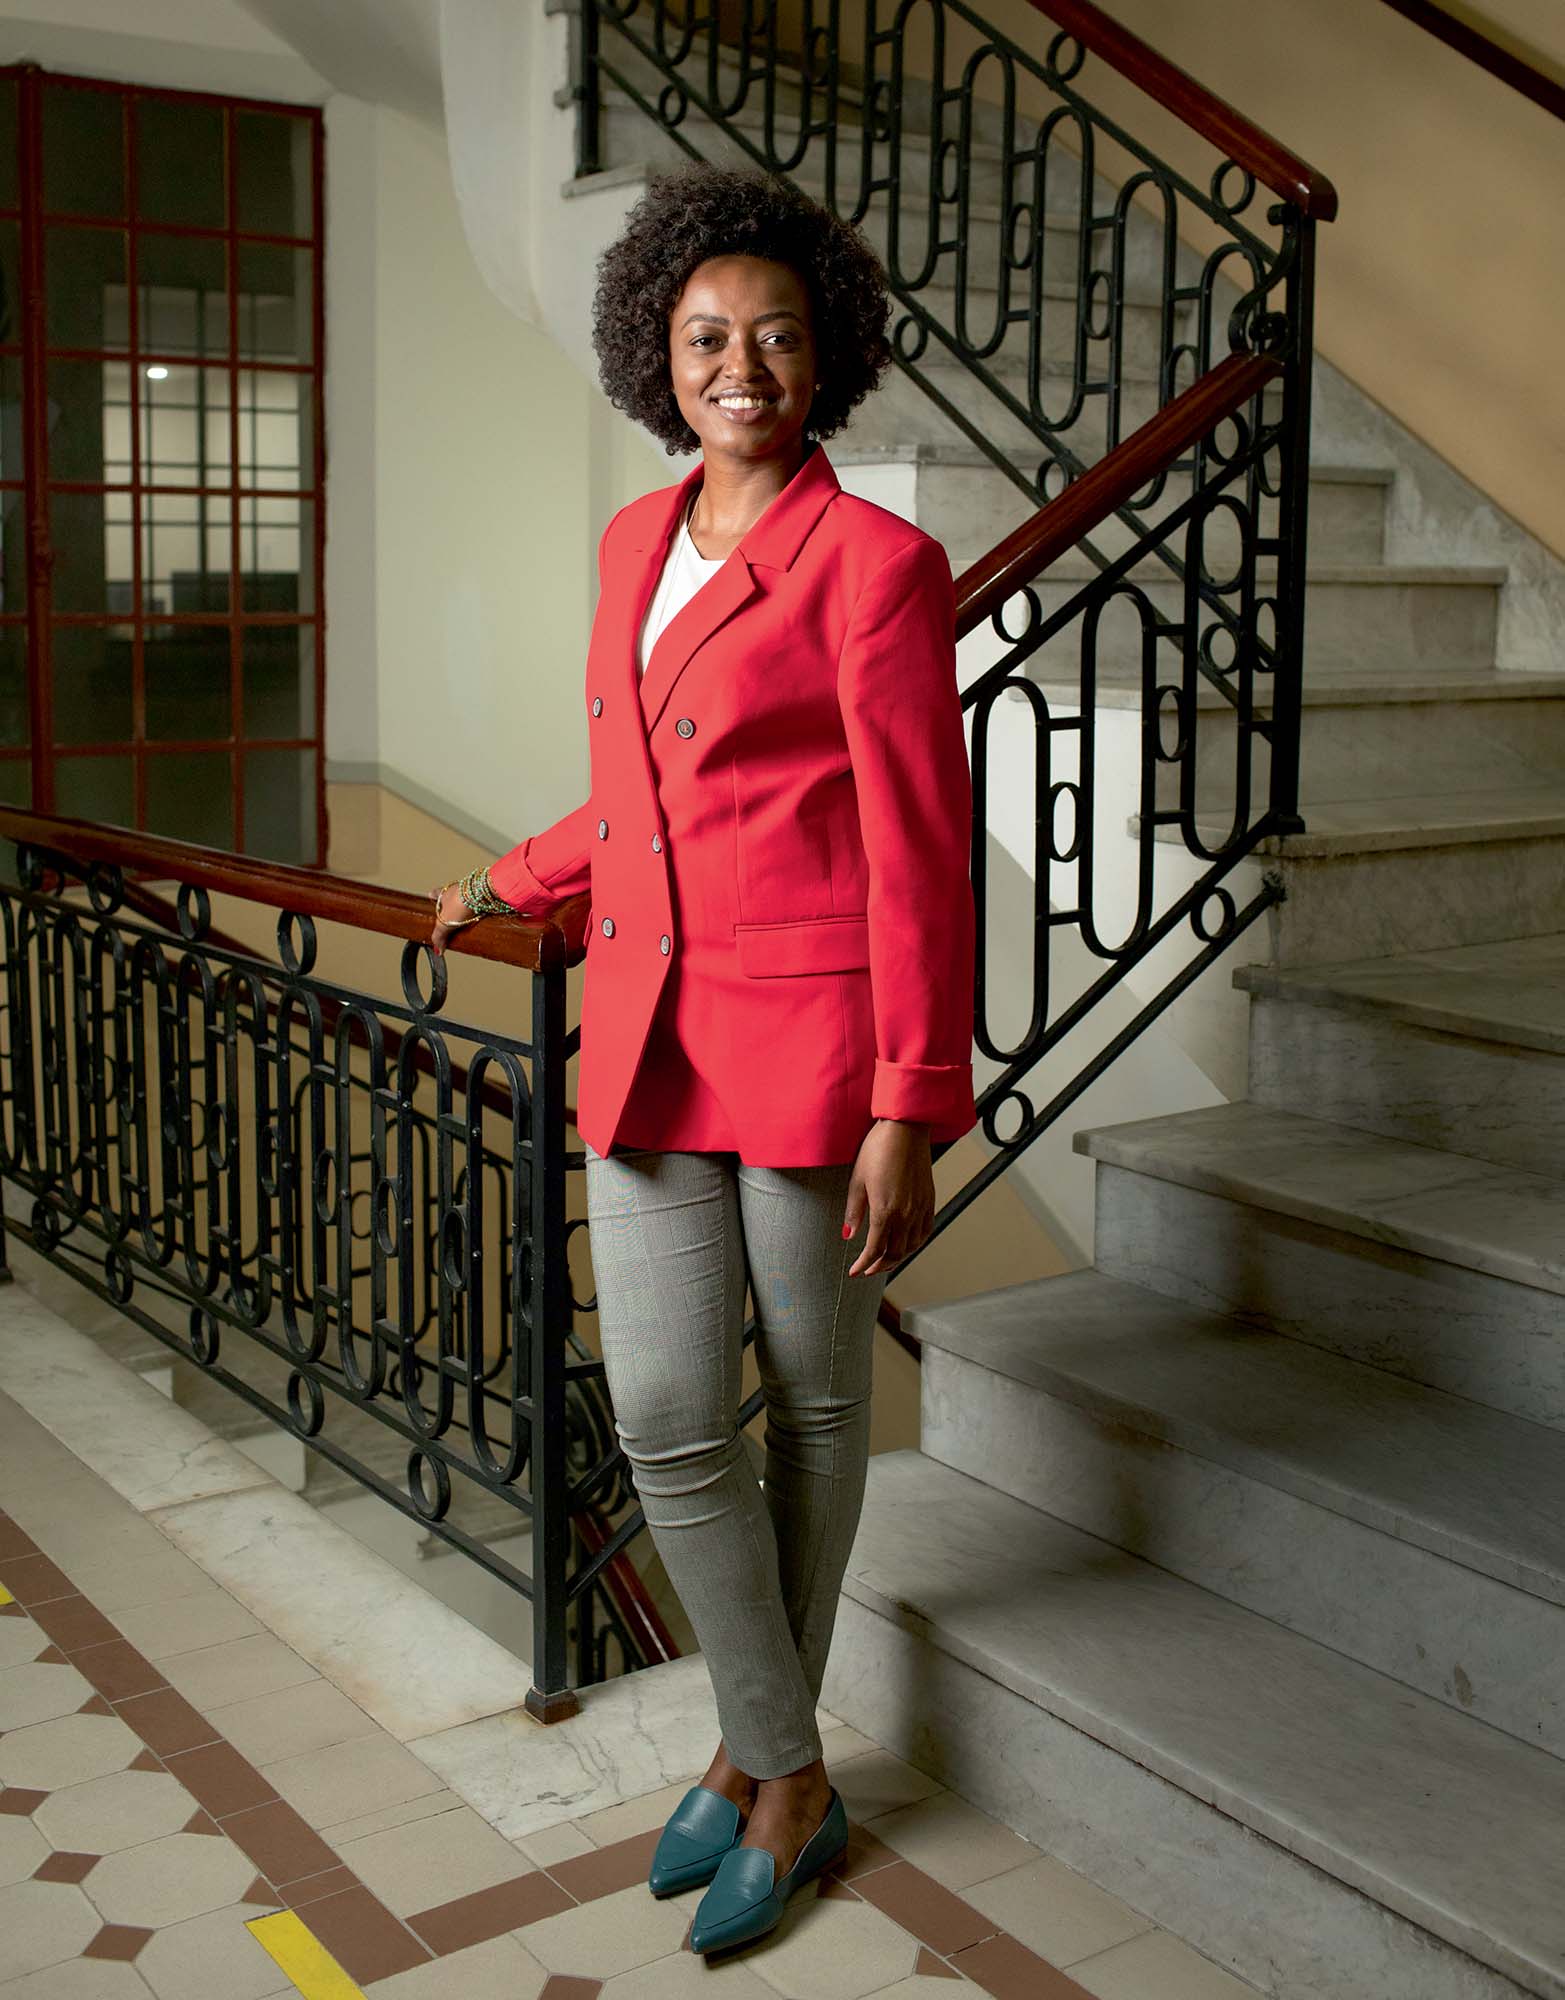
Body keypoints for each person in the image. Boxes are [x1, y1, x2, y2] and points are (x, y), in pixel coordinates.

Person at [430, 159, 976, 1956]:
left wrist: (911, 1102)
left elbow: (918, 853)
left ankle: (759, 1770)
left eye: (777, 337)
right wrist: (517, 877)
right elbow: (643, 802)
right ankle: (785, 1757)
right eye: (705, 337)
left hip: (816, 1051)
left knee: (812, 1404)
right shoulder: (630, 543)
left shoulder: (879, 567)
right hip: (650, 1040)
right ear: (653, 356)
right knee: (668, 1413)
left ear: (827, 358)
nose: (741, 366)